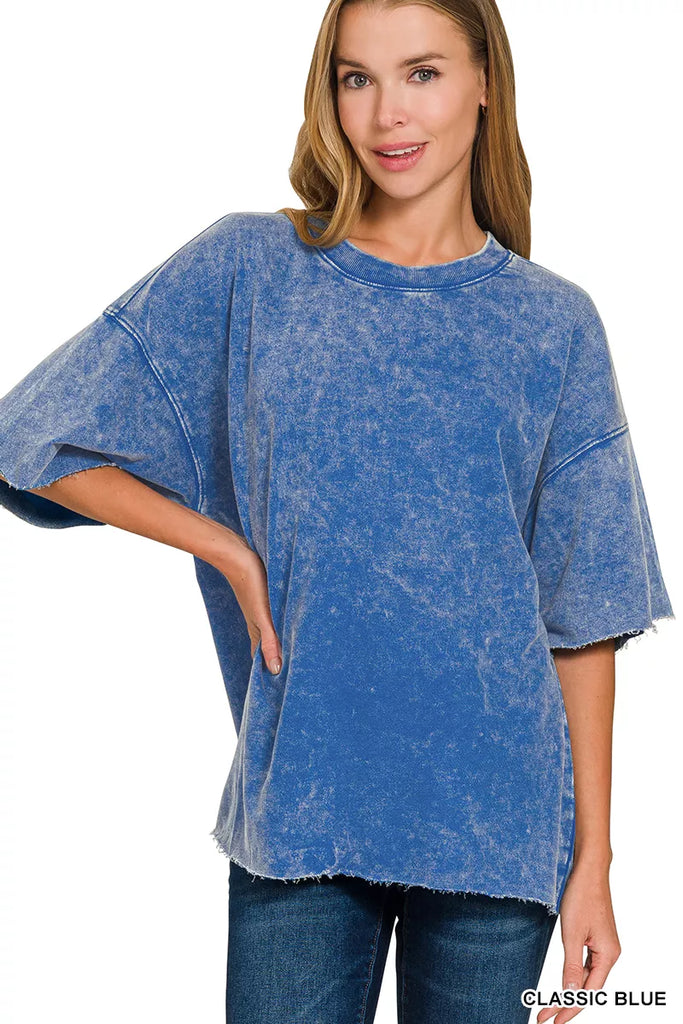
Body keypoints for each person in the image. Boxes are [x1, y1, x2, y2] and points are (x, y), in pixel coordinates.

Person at [0, 1, 675, 1022]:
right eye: (356, 78)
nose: (386, 113)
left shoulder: (553, 323)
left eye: (421, 73)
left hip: (495, 824)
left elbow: (583, 614)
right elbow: (33, 440)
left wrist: (593, 864)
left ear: (484, 83)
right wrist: (222, 544)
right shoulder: (250, 268)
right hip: (302, 807)